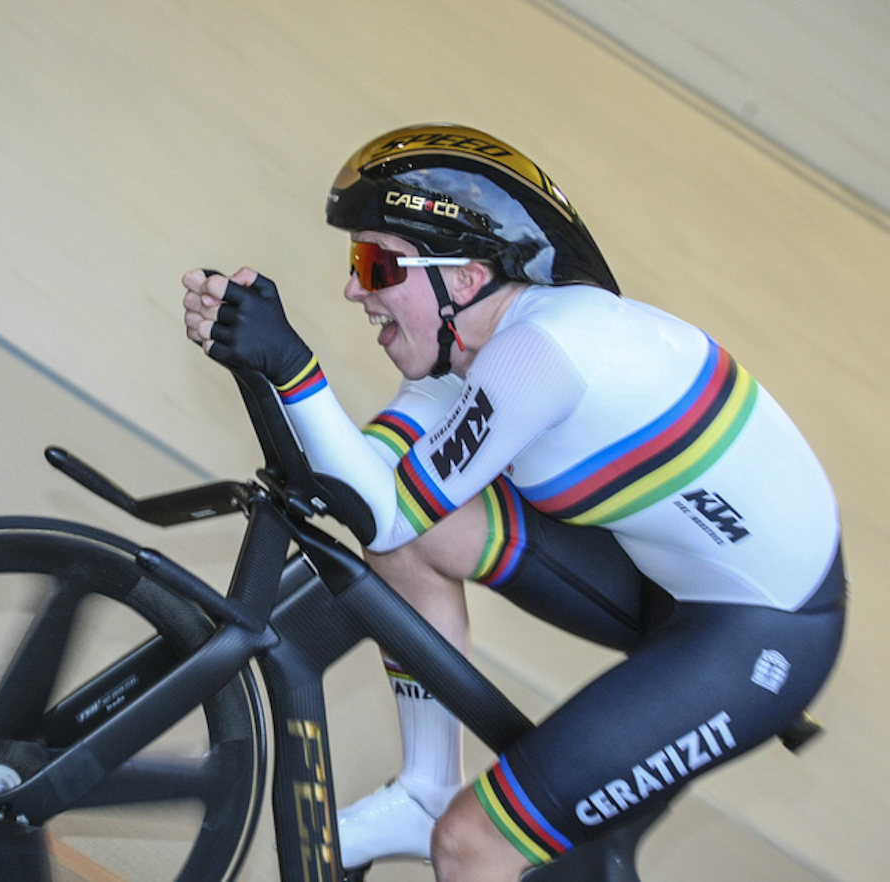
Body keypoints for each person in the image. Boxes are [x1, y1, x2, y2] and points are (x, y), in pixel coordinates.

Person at [182, 123, 846, 881]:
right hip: (668, 581)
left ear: (462, 278)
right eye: (355, 262)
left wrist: (294, 366)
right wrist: (264, 368)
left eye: (376, 264)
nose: (353, 288)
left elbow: (382, 506)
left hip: (758, 634)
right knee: (415, 541)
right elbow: (373, 492)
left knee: (473, 846)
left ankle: (452, 819)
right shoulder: (467, 351)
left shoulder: (543, 353)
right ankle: (426, 786)